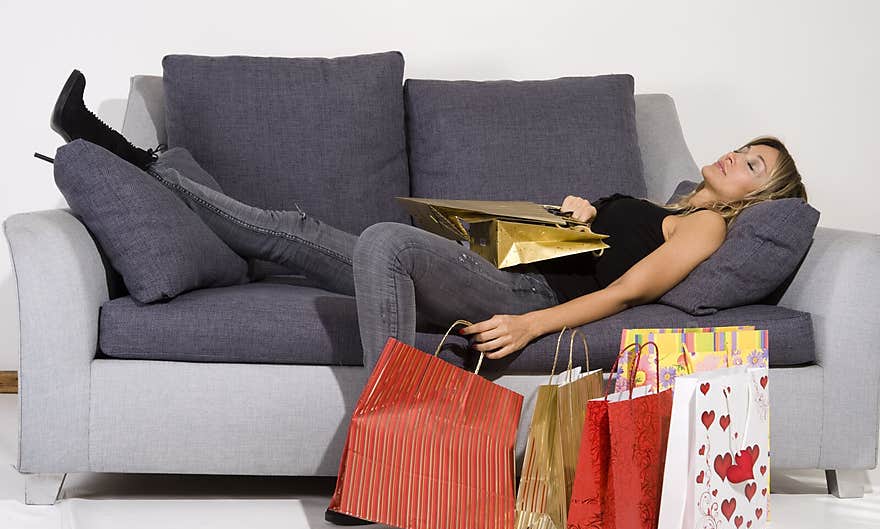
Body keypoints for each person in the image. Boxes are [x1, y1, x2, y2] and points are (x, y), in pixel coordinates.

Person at [47, 69, 808, 371]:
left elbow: (624, 294)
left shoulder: (707, 228)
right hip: (505, 264)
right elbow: (617, 244)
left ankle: (390, 426)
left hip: (524, 298)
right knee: (291, 230)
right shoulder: (678, 202)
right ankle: (117, 148)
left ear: (756, 200)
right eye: (744, 148)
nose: (736, 156)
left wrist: (535, 328)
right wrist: (592, 210)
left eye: (753, 166)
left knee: (379, 237)